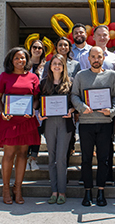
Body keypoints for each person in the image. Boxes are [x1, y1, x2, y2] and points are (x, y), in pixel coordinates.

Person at [71, 46, 115, 207]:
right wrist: (81, 107)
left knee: (103, 159)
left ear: (103, 58)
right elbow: (74, 95)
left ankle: (101, 191)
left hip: (105, 123)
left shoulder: (111, 75)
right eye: (93, 56)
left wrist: (111, 111)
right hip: (86, 123)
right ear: (88, 59)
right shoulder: (81, 75)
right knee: (86, 159)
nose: (96, 59)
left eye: (99, 56)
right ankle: (87, 191)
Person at [0, 47, 41, 204]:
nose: (20, 61)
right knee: (9, 154)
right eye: (17, 58)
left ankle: (18, 188)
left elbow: (36, 98)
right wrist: (2, 112)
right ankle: (5, 188)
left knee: (22, 154)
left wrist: (33, 109)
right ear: (11, 60)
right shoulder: (4, 76)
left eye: (23, 58)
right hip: (9, 120)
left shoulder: (33, 77)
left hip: (27, 120)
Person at [78, 24, 115, 185]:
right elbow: (80, 84)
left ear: (109, 37)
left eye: (105, 35)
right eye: (99, 35)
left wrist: (113, 110)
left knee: (106, 148)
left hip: (105, 113)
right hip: (87, 113)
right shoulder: (83, 57)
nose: (102, 37)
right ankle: (85, 179)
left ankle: (106, 177)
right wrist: (82, 107)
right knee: (86, 153)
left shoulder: (114, 58)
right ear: (93, 37)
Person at [36, 54, 75, 205]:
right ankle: (54, 191)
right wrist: (39, 113)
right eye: (54, 63)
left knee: (61, 158)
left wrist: (71, 111)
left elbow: (75, 103)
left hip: (65, 124)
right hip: (49, 123)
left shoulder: (70, 83)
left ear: (64, 66)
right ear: (50, 66)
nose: (57, 66)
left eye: (60, 63)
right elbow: (38, 103)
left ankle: (62, 192)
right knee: (51, 158)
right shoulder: (44, 83)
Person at [26, 39, 46, 171]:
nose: (37, 50)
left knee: (37, 133)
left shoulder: (46, 65)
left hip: (41, 104)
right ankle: (24, 158)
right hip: (25, 104)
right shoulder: (24, 64)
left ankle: (33, 159)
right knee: (27, 132)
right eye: (35, 47)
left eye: (40, 48)